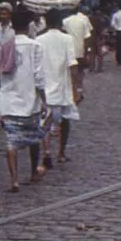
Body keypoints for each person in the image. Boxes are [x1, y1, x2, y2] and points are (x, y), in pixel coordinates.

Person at [0, 9, 46, 192]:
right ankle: (33, 172)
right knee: (34, 138)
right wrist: (44, 99)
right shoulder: (35, 46)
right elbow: (39, 76)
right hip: (30, 98)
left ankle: (14, 180)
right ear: (28, 26)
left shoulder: (5, 46)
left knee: (11, 141)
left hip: (9, 99)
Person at [36, 10, 84, 164]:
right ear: (60, 22)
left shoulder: (39, 39)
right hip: (62, 87)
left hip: (44, 86)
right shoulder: (66, 39)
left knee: (45, 122)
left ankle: (47, 151)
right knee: (64, 121)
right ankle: (61, 152)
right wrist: (77, 87)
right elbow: (73, 65)